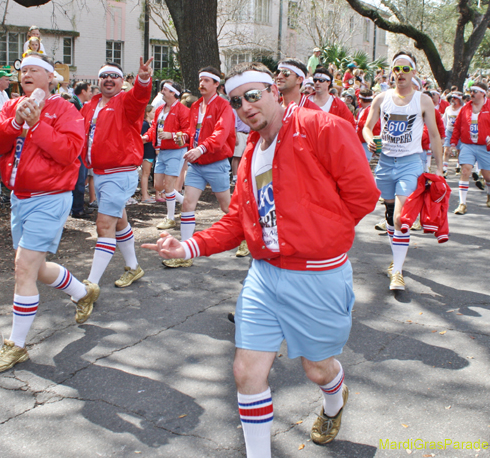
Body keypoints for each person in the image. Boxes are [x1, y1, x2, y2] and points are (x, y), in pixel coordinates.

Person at [143, 62, 379, 456]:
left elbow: (362, 195)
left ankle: (334, 401)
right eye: (236, 101)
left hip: (318, 275)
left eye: (253, 95)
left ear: (273, 91)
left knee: (317, 369)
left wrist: (319, 234)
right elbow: (238, 219)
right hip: (264, 276)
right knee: (245, 372)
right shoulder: (251, 149)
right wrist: (187, 247)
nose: (245, 106)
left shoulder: (322, 127)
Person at [0, 52, 97, 372]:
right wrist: (15, 121)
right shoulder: (10, 106)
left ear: (51, 77)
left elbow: (69, 153)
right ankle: (81, 292)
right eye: (24, 70)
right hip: (19, 198)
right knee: (36, 268)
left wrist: (35, 126)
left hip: (51, 197)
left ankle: (16, 346)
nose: (26, 74)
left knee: (23, 267)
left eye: (35, 70)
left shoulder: (65, 109)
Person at [362, 51, 443, 290]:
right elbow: (367, 127)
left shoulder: (423, 100)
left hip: (410, 164)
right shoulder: (381, 98)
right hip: (385, 163)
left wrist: (439, 168)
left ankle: (397, 271)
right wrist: (369, 139)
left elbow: (436, 135)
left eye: (405, 69)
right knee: (390, 215)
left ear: (414, 72)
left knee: (401, 217)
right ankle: (395, 260)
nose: (400, 73)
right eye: (396, 69)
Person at [81, 58, 154, 288]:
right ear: (98, 81)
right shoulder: (90, 106)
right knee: (120, 222)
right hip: (100, 172)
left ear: (122, 82)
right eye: (104, 76)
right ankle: (133, 267)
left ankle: (90, 286)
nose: (109, 79)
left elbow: (140, 96)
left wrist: (143, 79)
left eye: (114, 76)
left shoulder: (125, 101)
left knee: (104, 226)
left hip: (120, 172)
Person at [163, 67, 235, 268]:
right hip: (196, 164)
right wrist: (184, 137)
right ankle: (185, 253)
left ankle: (246, 237)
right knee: (187, 204)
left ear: (216, 85)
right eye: (200, 79)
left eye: (206, 80)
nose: (201, 84)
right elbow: (191, 131)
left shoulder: (224, 106)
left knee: (226, 206)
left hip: (216, 163)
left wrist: (201, 148)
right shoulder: (195, 106)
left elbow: (220, 135)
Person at [449, 82, 490, 214]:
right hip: (468, 145)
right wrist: (452, 143)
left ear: (483, 93)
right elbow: (457, 127)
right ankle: (462, 203)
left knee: (487, 176)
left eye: (475, 91)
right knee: (465, 170)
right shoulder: (465, 108)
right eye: (471, 91)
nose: (471, 93)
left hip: (486, 146)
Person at [143, 81, 189, 229]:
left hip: (176, 150)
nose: (162, 91)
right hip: (161, 151)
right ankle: (187, 204)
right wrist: (146, 137)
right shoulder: (160, 110)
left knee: (169, 185)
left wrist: (172, 135)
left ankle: (170, 218)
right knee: (158, 185)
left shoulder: (182, 110)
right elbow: (154, 128)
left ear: (173, 93)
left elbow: (188, 132)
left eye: (165, 89)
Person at [71, 82, 94, 218]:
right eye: (89, 90)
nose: (91, 93)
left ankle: (78, 206)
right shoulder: (73, 104)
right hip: (77, 146)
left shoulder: (80, 104)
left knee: (82, 177)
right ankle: (77, 208)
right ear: (83, 91)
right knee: (79, 178)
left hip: (81, 146)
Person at [140, 105, 157, 202]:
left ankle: (146, 194)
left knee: (147, 173)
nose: (154, 114)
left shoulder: (149, 124)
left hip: (150, 151)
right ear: (147, 113)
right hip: (147, 152)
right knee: (145, 174)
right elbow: (142, 139)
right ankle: (144, 196)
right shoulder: (144, 125)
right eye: (153, 112)